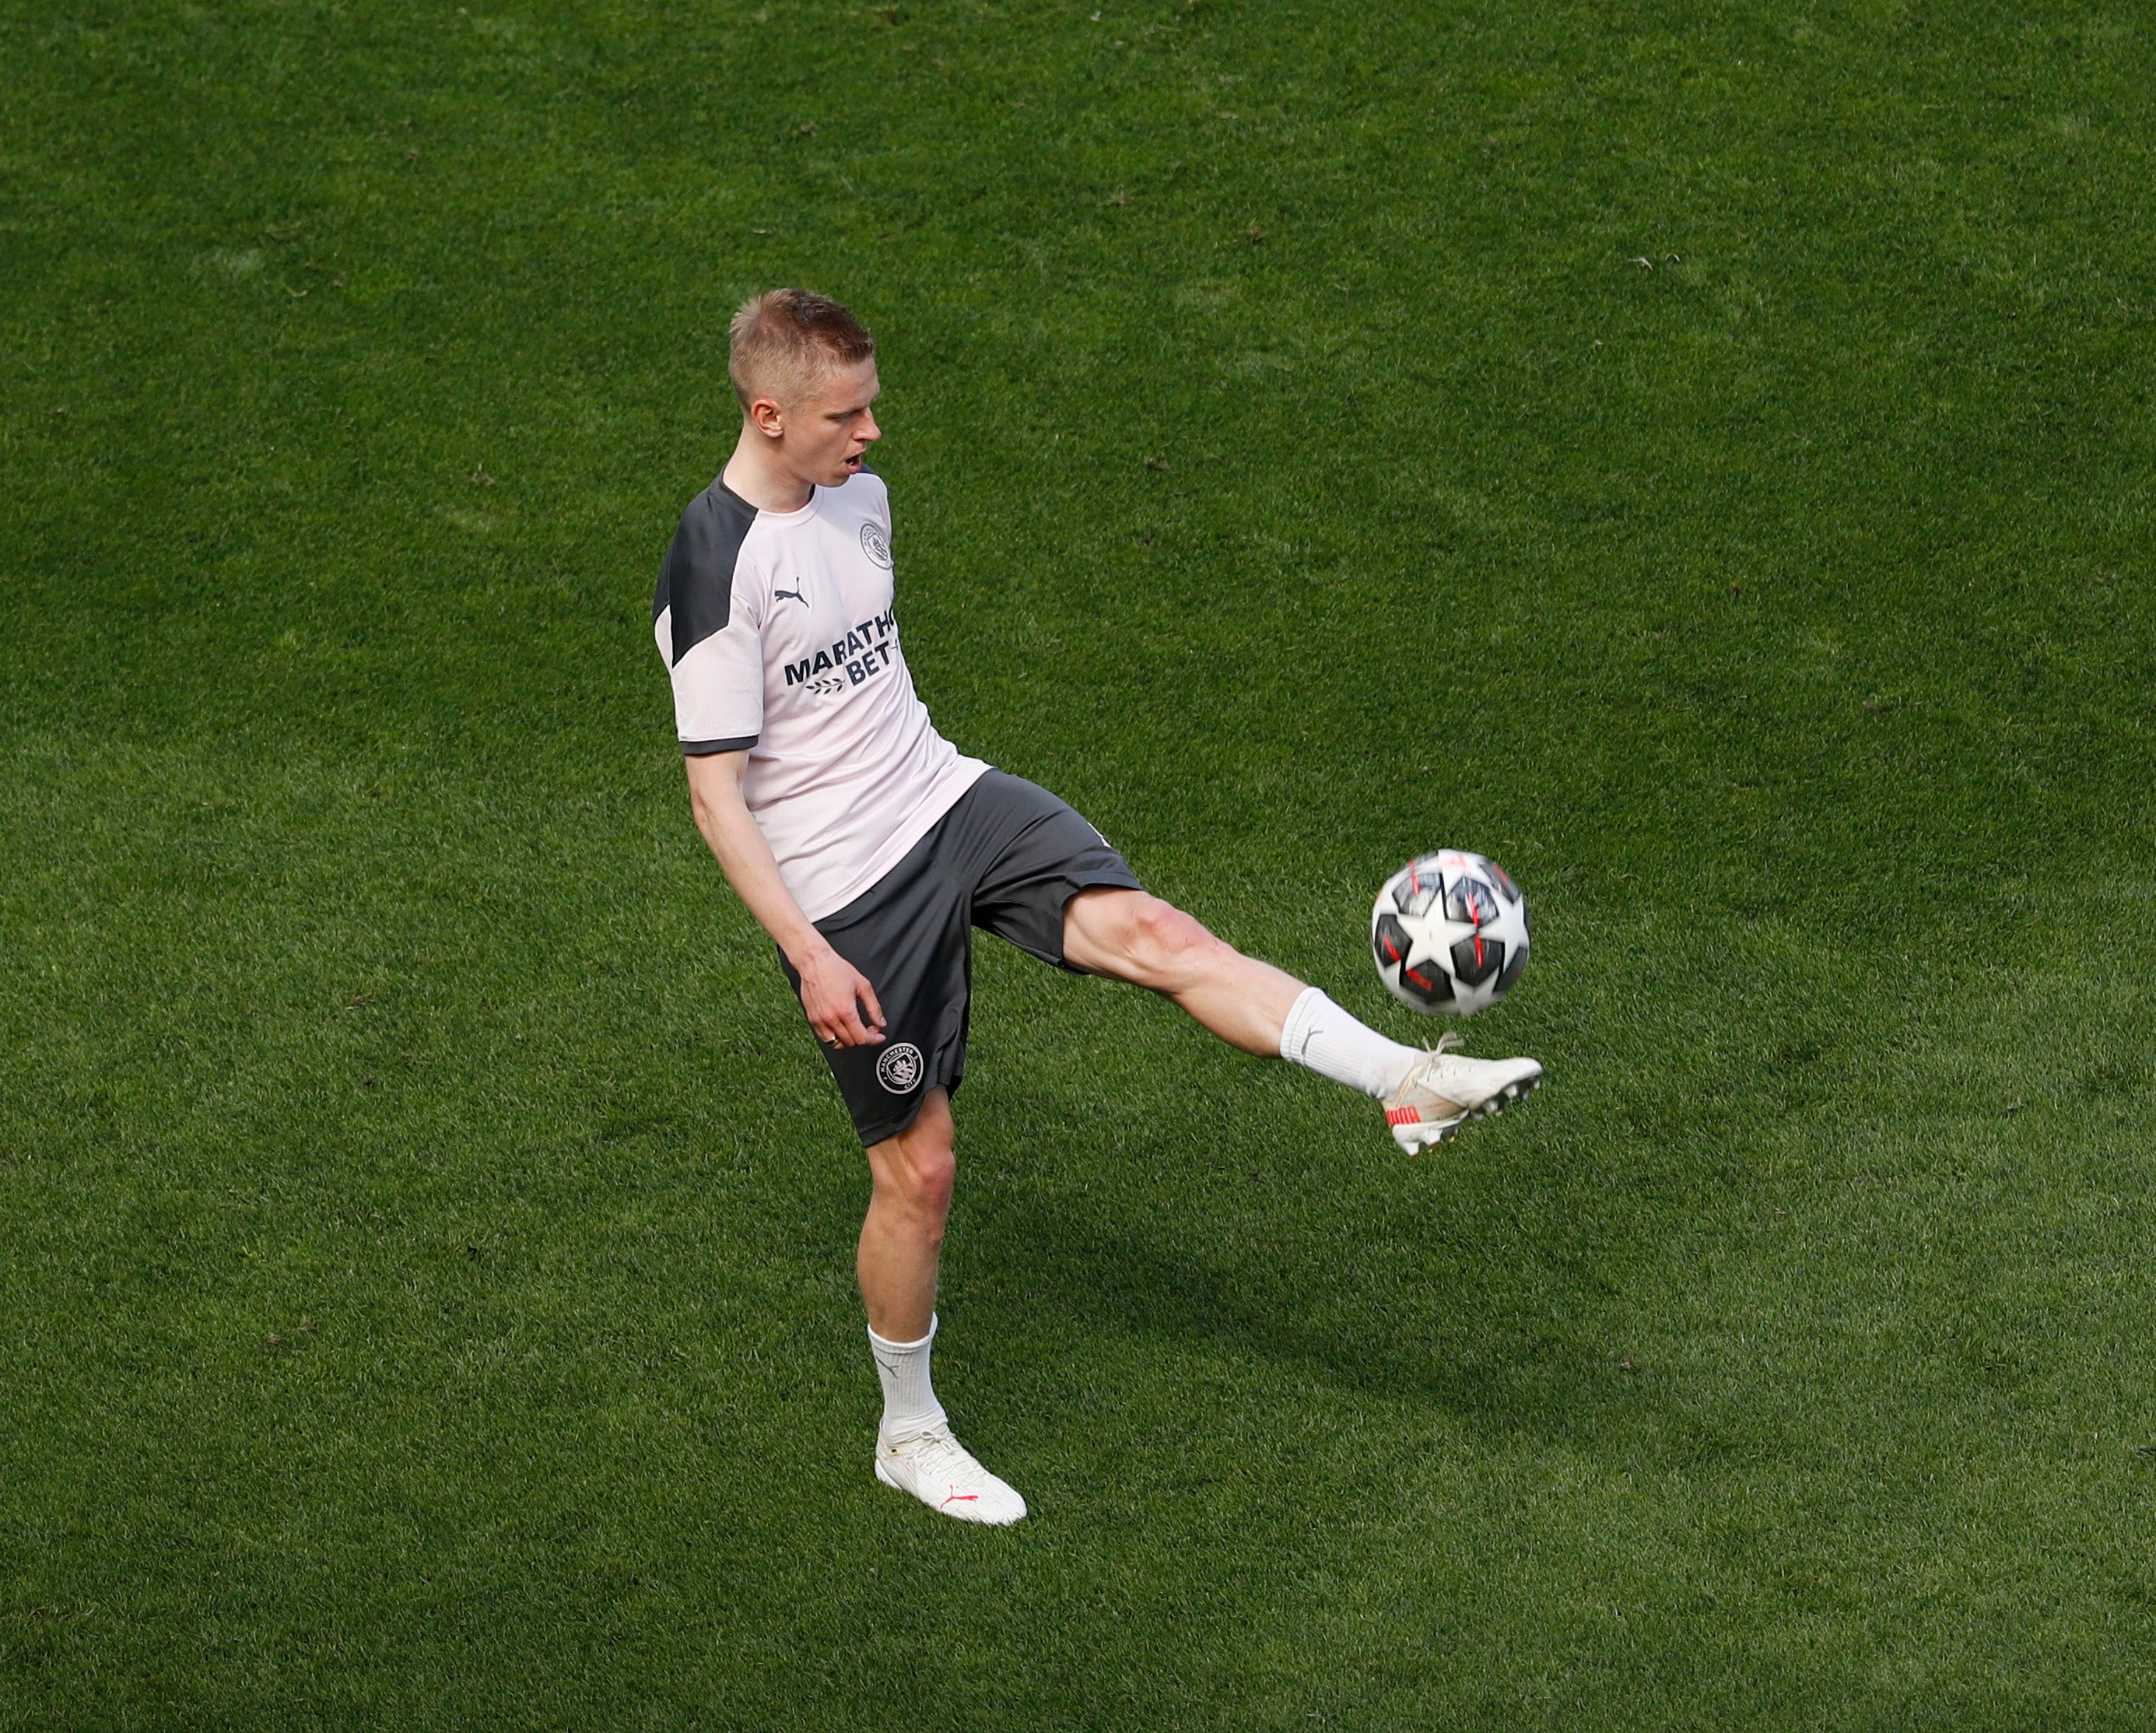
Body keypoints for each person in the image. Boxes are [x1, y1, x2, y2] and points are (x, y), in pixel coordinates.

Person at [655, 289, 1542, 1525]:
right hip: (846, 891)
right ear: (769, 415)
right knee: (922, 1172)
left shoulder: (860, 499)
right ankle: (908, 1432)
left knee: (1163, 935)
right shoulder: (711, 567)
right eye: (846, 415)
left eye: (872, 406)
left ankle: (1406, 1077)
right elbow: (715, 799)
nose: (871, 435)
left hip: (949, 795)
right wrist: (808, 952)